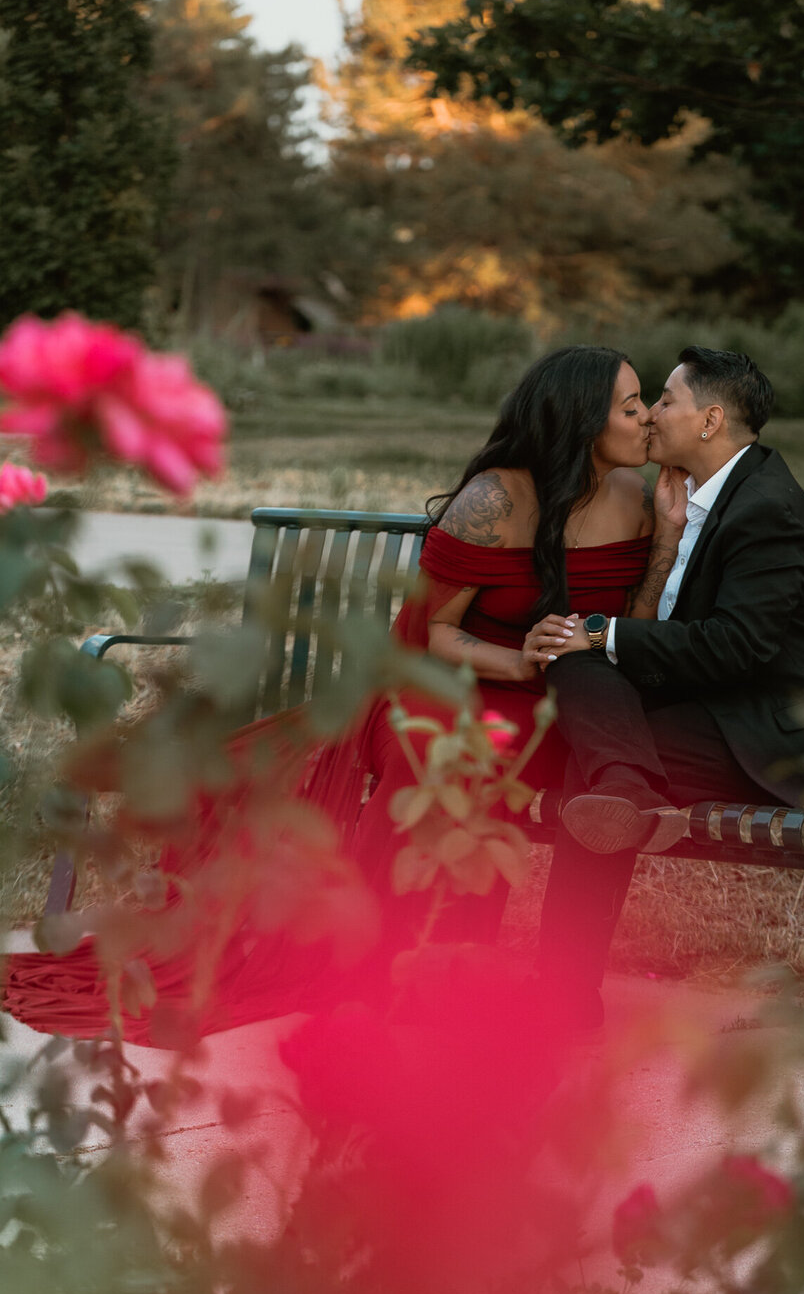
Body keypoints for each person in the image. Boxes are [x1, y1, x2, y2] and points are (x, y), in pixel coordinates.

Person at [2, 346, 655, 1045]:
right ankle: (396, 969)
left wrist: (668, 548)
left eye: (645, 402)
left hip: (574, 702)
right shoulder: (494, 501)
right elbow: (429, 633)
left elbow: (637, 630)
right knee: (443, 750)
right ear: (583, 421)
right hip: (461, 684)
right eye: (631, 406)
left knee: (558, 761)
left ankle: (484, 978)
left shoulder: (638, 501)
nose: (648, 418)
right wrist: (517, 663)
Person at [532, 345, 804, 1027]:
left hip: (767, 731)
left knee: (593, 774)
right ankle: (627, 785)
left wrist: (603, 630)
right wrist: (663, 547)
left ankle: (559, 1004)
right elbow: (664, 639)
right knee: (572, 658)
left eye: (664, 401)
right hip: (706, 709)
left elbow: (736, 648)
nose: (650, 415)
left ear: (709, 420)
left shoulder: (768, 510)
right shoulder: (701, 496)